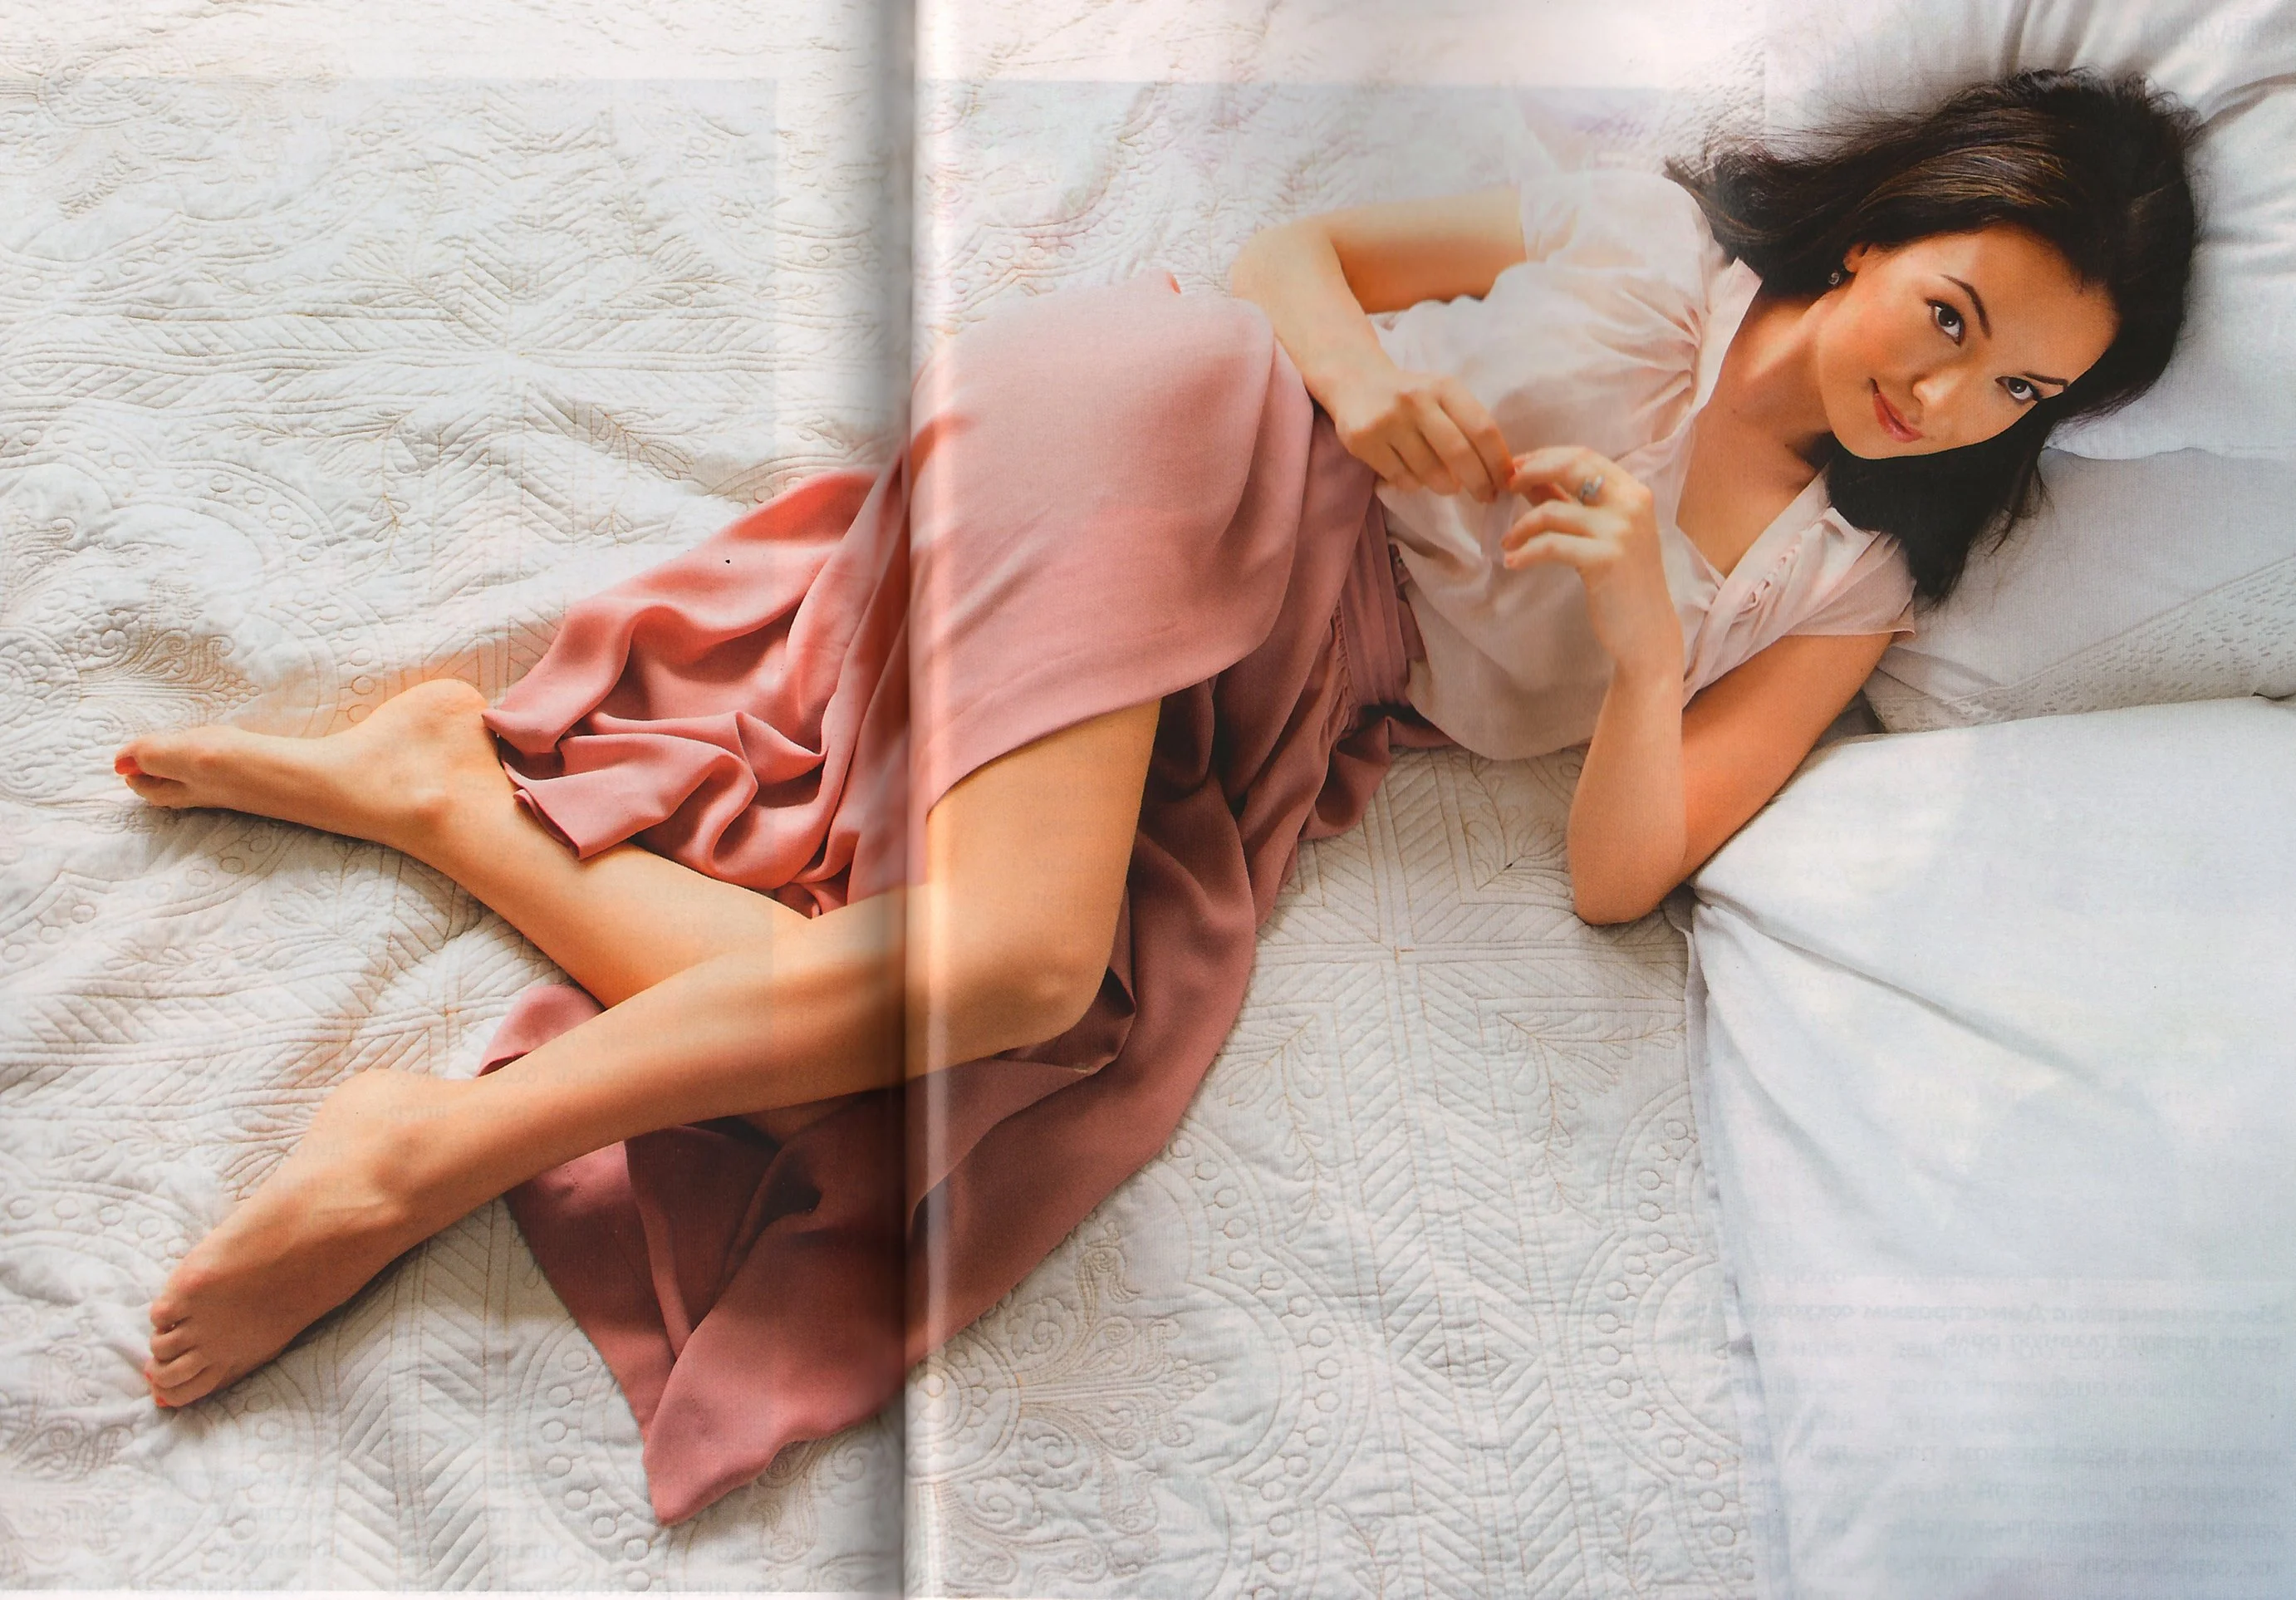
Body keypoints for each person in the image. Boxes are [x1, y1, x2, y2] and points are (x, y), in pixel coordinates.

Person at [110, 67, 2195, 1516]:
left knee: (1015, 1029)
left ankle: (449, 798)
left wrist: (1646, 651)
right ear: (1877, 233)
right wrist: (1366, 382)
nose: (1940, 397)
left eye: (2015, 390)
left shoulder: (1841, 582)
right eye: (1948, 315)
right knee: (1018, 973)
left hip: (1268, 704)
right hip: (1185, 427)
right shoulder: (1633, 249)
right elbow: (1291, 266)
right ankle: (427, 1152)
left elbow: (1615, 879)